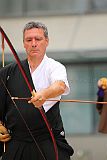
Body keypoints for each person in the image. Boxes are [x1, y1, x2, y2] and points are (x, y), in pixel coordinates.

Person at [0, 21, 74, 160]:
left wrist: (44, 94)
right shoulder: (8, 72)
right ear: (24, 43)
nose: (33, 43)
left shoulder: (55, 67)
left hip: (46, 139)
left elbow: (60, 86)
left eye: (38, 39)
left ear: (46, 41)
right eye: (29, 40)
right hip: (17, 141)